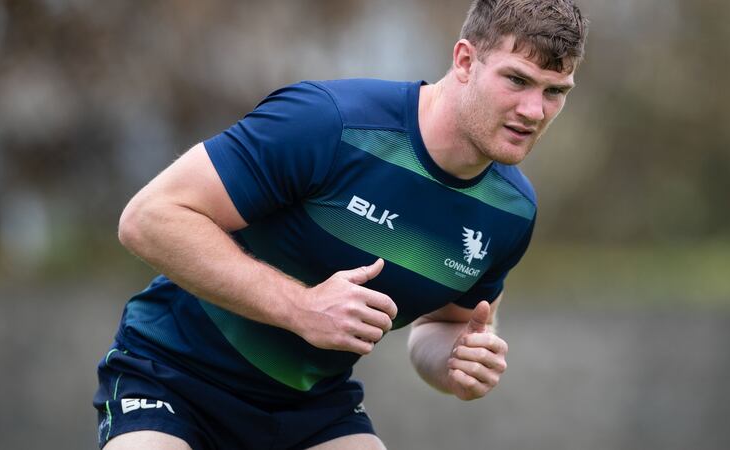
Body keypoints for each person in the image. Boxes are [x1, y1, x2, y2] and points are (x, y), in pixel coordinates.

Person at [93, 0, 587, 448]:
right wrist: (301, 307)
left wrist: (458, 361)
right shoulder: (329, 124)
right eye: (517, 80)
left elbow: (443, 327)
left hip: (310, 408)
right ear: (464, 61)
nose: (533, 111)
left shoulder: (511, 211)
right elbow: (149, 218)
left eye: (554, 92)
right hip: (173, 376)